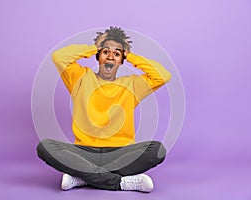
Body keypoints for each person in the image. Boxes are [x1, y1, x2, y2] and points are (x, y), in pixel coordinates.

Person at [36, 26, 171, 192]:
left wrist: (130, 56)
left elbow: (163, 75)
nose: (111, 57)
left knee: (156, 150)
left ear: (121, 60)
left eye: (117, 54)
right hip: (83, 151)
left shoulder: (132, 85)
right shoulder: (80, 78)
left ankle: (83, 177)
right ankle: (118, 183)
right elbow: (59, 57)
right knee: (46, 147)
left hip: (120, 152)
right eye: (106, 52)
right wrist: (95, 47)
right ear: (99, 56)